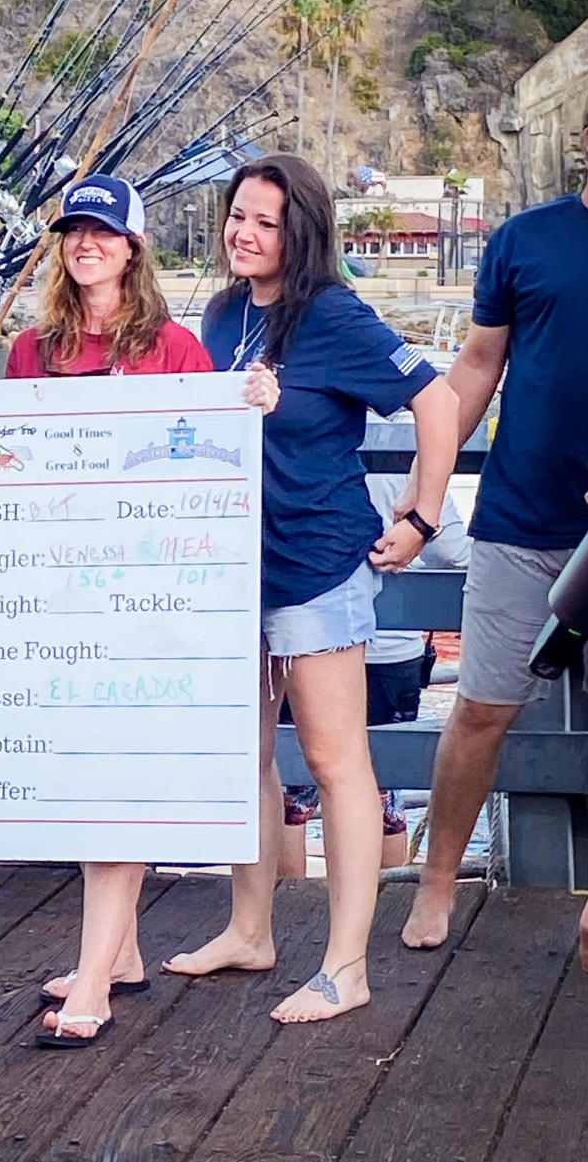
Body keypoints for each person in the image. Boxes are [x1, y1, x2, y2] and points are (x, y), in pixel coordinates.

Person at [0, 172, 280, 1048]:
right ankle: (123, 951)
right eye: (73, 231)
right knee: (86, 773)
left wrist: (251, 401)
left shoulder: (175, 346)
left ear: (134, 247)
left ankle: (93, 977)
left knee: (118, 784)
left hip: (153, 605)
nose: (86, 243)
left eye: (102, 231)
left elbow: (215, 446)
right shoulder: (29, 352)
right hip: (58, 605)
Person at [160, 155, 459, 1023]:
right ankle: (249, 930)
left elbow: (435, 403)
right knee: (246, 755)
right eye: (237, 217)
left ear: (302, 232)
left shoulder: (332, 316)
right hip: (230, 569)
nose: (245, 233)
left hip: (318, 564)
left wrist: (422, 515)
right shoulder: (218, 315)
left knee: (336, 763)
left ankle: (346, 966)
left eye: (266, 221)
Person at [401, 119, 588, 957]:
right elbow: (476, 365)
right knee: (479, 709)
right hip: (521, 519)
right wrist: (422, 499)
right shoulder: (524, 239)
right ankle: (438, 880)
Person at [278, 475, 471, 877]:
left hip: (308, 636)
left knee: (291, 789)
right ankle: (382, 898)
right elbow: (455, 555)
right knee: (384, 783)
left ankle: (285, 900)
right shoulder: (412, 459)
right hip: (392, 652)